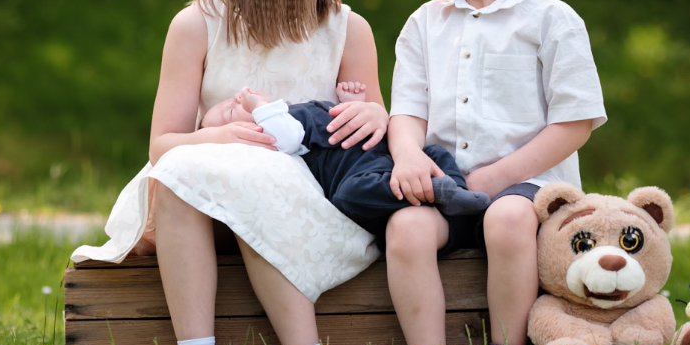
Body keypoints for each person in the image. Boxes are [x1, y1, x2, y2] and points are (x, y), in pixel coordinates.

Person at [71, 0, 390, 345]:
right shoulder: (197, 25)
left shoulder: (348, 32)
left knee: (256, 173)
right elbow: (162, 146)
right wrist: (219, 136)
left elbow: (374, 127)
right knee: (179, 173)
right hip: (204, 212)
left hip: (307, 214)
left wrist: (372, 117)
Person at [384, 0, 608, 345]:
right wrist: (408, 154)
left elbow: (575, 122)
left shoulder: (551, 20)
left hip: (527, 189)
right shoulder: (424, 25)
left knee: (506, 219)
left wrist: (499, 176)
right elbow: (407, 111)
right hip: (446, 183)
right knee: (406, 229)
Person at [201, 82, 490, 239]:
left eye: (229, 100)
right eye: (230, 112)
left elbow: (347, 122)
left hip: (383, 152)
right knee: (350, 196)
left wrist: (353, 104)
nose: (236, 100)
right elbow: (287, 137)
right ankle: (437, 191)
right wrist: (260, 107)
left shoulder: (294, 108)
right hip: (359, 176)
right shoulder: (274, 132)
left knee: (432, 152)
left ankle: (457, 191)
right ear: (248, 131)